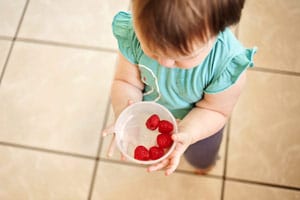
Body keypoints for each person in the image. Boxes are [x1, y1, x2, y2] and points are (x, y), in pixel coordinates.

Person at [102, 0, 256, 176]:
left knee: (201, 155)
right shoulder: (134, 34)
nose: (165, 63)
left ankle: (203, 165)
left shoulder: (226, 65)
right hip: (152, 111)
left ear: (219, 30)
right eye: (153, 51)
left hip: (200, 125)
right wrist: (124, 112)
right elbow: (126, 82)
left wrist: (189, 133)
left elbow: (216, 110)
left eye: (182, 57)